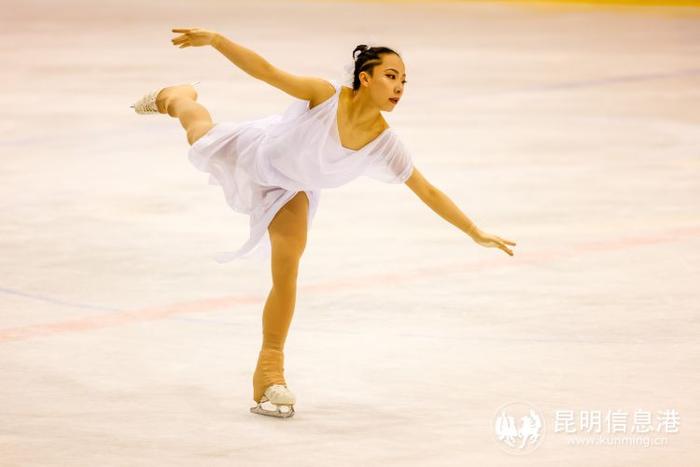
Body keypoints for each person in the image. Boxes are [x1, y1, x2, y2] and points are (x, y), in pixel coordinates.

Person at [131, 28, 517, 418]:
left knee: (287, 266)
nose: (399, 86)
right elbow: (267, 71)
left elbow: (427, 190)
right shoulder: (324, 96)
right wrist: (216, 41)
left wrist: (474, 231)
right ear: (364, 78)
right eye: (391, 76)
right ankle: (177, 96)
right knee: (199, 133)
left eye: (403, 80)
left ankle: (270, 372)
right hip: (258, 153)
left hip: (291, 190)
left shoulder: (384, 142)